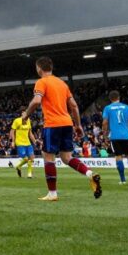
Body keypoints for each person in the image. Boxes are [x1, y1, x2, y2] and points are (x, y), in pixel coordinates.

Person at [21, 57, 101, 201]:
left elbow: (37, 101)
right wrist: (78, 125)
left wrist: (26, 115)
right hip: (67, 123)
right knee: (66, 158)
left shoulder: (41, 82)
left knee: (48, 157)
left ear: (39, 68)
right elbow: (74, 106)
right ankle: (90, 174)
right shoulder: (62, 83)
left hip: (52, 124)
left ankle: (52, 193)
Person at [101, 91, 128, 186]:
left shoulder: (107, 108)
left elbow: (104, 123)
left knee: (118, 157)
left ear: (110, 99)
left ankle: (123, 180)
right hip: (127, 136)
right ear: (119, 97)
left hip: (115, 136)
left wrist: (105, 135)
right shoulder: (127, 107)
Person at [9, 114, 35, 179]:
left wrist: (34, 141)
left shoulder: (28, 120)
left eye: (26, 113)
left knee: (31, 158)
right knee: (26, 158)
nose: (26, 114)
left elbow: (30, 133)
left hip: (28, 143)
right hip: (20, 142)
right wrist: (13, 141)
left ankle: (29, 174)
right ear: (21, 114)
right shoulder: (17, 121)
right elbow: (12, 131)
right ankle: (18, 166)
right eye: (24, 113)